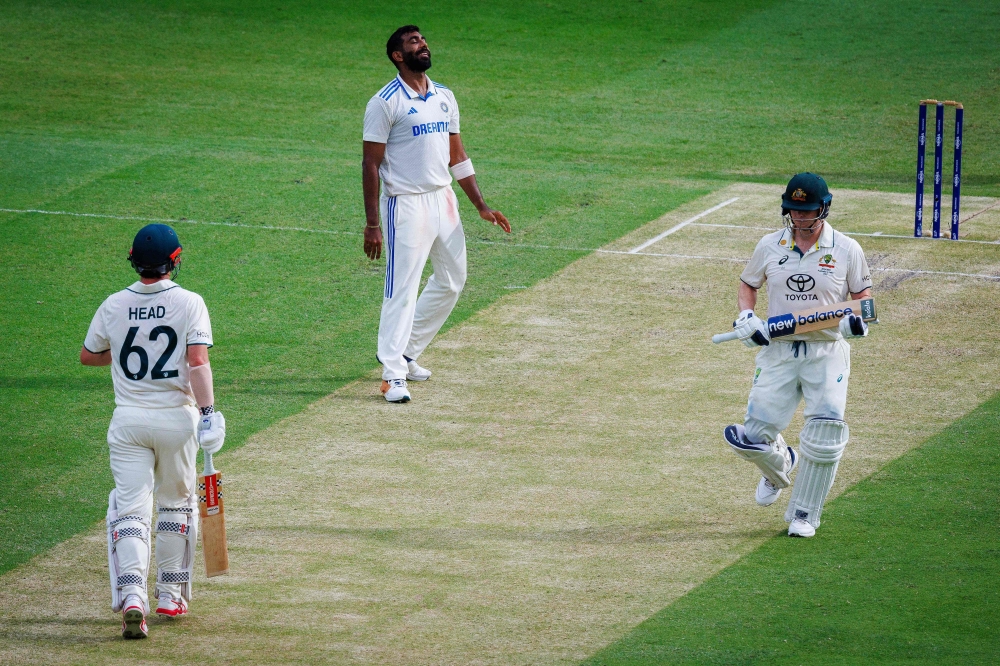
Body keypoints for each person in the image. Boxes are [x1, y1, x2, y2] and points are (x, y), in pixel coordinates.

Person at [80, 224, 226, 638]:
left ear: (134, 261)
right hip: (176, 420)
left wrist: (127, 351)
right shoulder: (190, 302)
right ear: (174, 261)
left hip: (127, 421)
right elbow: (197, 362)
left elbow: (89, 356)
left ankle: (132, 599)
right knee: (176, 505)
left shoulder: (112, 304)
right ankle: (169, 595)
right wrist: (209, 412)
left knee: (129, 510)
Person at [362, 25, 511, 403]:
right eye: (413, 42)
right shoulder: (385, 102)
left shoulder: (444, 96)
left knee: (453, 279)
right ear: (398, 55)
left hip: (443, 199)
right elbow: (370, 163)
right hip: (405, 204)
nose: (423, 44)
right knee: (402, 289)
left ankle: (407, 352)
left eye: (423, 39)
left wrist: (481, 205)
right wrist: (373, 224)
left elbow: (457, 156)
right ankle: (392, 375)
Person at [723, 173, 873, 538]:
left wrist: (858, 321)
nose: (800, 217)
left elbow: (865, 299)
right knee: (754, 436)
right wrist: (746, 316)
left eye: (806, 211)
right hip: (779, 350)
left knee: (824, 435)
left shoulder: (847, 248)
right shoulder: (770, 245)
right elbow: (748, 283)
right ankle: (781, 461)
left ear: (823, 208)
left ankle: (804, 515)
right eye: (793, 209)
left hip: (826, 352)